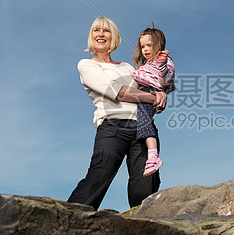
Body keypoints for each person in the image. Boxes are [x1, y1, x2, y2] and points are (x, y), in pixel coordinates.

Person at [67, 17, 167, 209]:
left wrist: (160, 95)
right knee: (99, 176)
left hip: (142, 129)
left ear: (114, 37)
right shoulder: (86, 65)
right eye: (96, 30)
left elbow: (148, 90)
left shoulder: (127, 67)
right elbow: (116, 91)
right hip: (112, 128)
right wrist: (151, 97)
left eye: (106, 31)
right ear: (91, 36)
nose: (101, 34)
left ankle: (145, 231)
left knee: (145, 188)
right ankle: (68, 221)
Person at [131, 26, 175, 177]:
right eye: (143, 46)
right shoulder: (146, 65)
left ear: (158, 44)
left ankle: (153, 157)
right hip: (144, 92)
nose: (145, 49)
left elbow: (165, 78)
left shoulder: (164, 61)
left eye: (149, 45)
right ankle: (152, 156)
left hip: (150, 92)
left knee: (144, 122)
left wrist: (162, 63)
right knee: (143, 121)